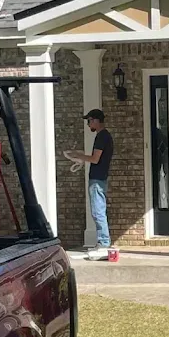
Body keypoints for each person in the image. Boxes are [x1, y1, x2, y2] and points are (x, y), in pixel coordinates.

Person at [64, 110, 114, 262]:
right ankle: (102, 243)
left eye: (89, 120)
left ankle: (104, 243)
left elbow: (95, 159)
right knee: (98, 211)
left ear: (97, 121)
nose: (88, 124)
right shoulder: (105, 136)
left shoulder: (102, 136)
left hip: (97, 179)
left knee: (98, 211)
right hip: (100, 178)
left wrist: (78, 155)